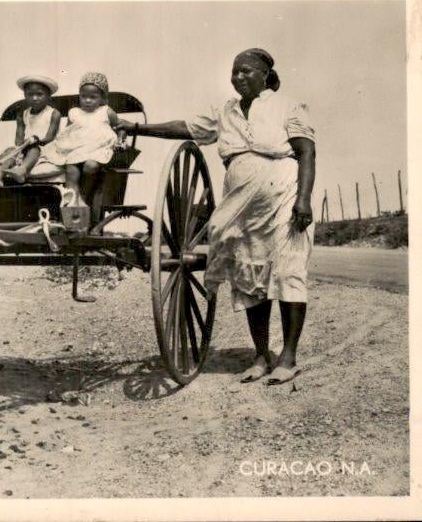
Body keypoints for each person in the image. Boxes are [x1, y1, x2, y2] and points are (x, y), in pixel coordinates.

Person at [116, 48, 316, 386]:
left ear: (266, 74)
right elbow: (185, 127)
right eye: (235, 71)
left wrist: (304, 200)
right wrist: (135, 127)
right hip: (242, 206)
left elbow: (307, 151)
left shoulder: (287, 106)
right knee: (249, 277)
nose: (238, 77)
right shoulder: (226, 112)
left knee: (287, 273)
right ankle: (260, 355)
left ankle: (289, 357)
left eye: (247, 71)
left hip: (283, 198)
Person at [51, 72, 127, 206]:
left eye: (93, 97)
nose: (87, 100)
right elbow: (67, 132)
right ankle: (73, 200)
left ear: (102, 98)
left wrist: (120, 139)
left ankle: (83, 198)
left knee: (90, 166)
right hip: (78, 149)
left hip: (98, 149)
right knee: (71, 169)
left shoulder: (106, 111)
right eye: (83, 96)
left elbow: (121, 127)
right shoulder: (74, 112)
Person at [0, 75, 61, 186]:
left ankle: (22, 170)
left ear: (48, 96)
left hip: (45, 147)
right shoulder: (23, 114)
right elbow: (18, 140)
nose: (34, 98)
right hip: (26, 146)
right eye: (30, 94)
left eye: (39, 94)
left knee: (34, 149)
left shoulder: (54, 113)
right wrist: (21, 145)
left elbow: (50, 137)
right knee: (10, 150)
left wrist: (36, 141)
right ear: (25, 95)